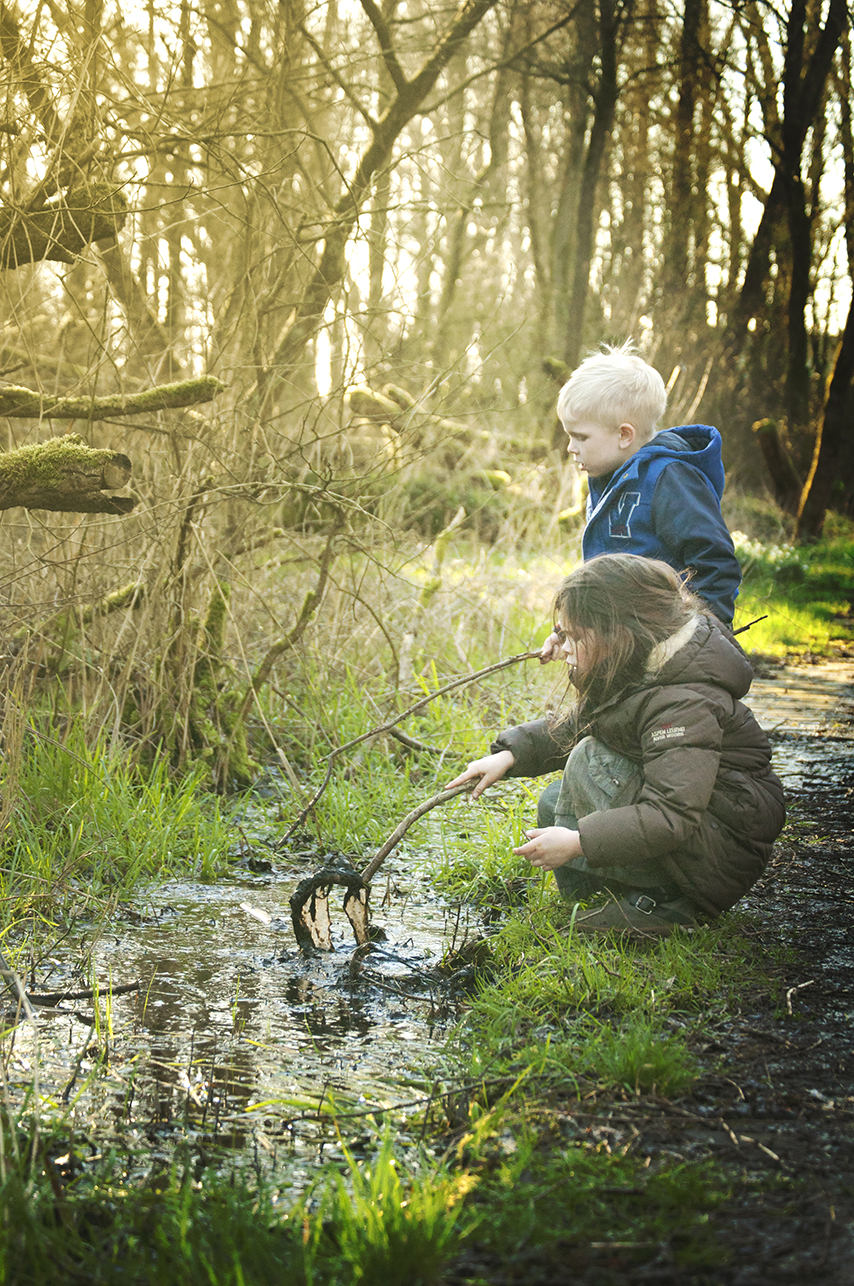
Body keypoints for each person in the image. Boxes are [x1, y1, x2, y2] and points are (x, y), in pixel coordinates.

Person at [447, 554, 785, 937]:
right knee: (554, 802)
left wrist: (579, 843)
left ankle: (666, 903)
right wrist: (510, 754)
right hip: (698, 837)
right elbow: (583, 723)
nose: (565, 648)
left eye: (576, 637)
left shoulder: (683, 700)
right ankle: (604, 896)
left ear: (617, 633)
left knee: (589, 759)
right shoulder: (641, 664)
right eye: (563, 634)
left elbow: (671, 814)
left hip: (716, 852)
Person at [540, 342, 742, 664]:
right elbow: (602, 584)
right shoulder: (607, 482)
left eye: (581, 437)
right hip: (623, 651)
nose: (570, 448)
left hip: (671, 651)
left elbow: (715, 563)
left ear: (624, 435)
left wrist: (702, 639)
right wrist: (568, 632)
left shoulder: (669, 479)